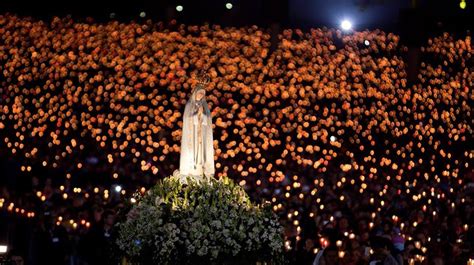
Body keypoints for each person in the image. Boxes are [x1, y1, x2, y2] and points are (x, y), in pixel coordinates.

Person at [179, 78, 215, 180]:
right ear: (195, 93)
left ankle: (202, 168)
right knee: (194, 152)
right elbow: (187, 118)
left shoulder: (204, 106)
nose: (201, 95)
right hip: (193, 134)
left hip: (201, 135)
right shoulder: (189, 105)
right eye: (199, 93)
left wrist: (202, 115)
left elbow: (208, 119)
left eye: (203, 94)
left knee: (200, 152)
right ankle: (192, 169)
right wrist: (196, 115)